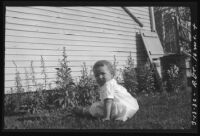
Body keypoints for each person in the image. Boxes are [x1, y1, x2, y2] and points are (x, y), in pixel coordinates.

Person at [73, 60, 139, 122]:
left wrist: (106, 117)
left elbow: (108, 101)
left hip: (119, 109)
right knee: (100, 104)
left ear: (112, 74)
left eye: (103, 73)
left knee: (95, 107)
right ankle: (85, 110)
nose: (100, 77)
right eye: (97, 75)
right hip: (128, 105)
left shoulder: (107, 85)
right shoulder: (112, 82)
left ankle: (84, 111)